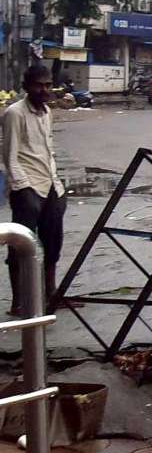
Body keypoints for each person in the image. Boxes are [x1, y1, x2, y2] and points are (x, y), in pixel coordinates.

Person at [3, 64, 66, 316]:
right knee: (21, 245)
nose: (44, 89)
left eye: (48, 85)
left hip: (49, 184)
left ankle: (50, 294)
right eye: (39, 85)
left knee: (53, 245)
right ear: (27, 86)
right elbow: (9, 156)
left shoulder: (47, 111)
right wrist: (23, 189)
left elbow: (47, 152)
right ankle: (18, 302)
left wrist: (57, 188)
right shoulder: (14, 113)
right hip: (27, 187)